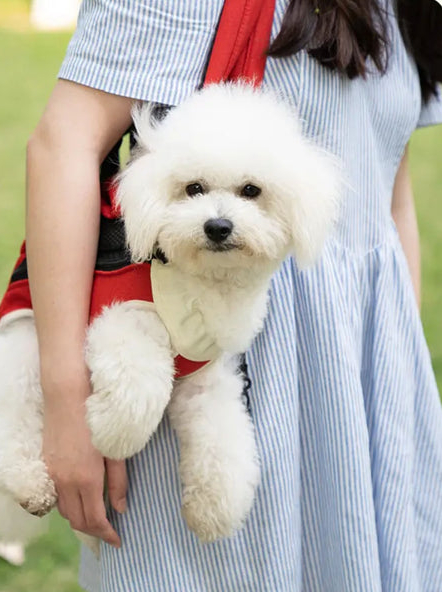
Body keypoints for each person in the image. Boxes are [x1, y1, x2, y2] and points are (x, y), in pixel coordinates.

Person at [25, 0, 442, 589]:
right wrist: (68, 398)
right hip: (224, 352)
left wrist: (398, 367)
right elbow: (64, 143)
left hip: (366, 360)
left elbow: (388, 189)